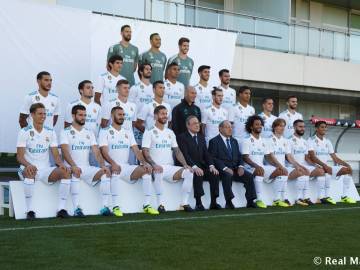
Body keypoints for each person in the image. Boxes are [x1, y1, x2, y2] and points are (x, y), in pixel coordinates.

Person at [98, 106, 158, 216]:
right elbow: (103, 151)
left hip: (125, 167)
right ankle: (115, 206)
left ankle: (147, 205)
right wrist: (113, 163)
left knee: (147, 170)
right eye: (119, 115)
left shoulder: (128, 132)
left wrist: (144, 163)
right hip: (112, 166)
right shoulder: (104, 131)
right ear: (112, 116)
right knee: (115, 172)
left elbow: (136, 150)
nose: (122, 117)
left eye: (123, 115)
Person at [17, 103, 71, 220]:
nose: (43, 116)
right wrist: (28, 165)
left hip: (45, 169)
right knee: (30, 172)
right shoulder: (24, 132)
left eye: (45, 114)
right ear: (32, 115)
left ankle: (61, 209)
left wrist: (61, 164)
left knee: (66, 172)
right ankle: (30, 211)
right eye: (40, 113)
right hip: (28, 168)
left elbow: (56, 154)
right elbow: (20, 157)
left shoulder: (50, 131)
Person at [60, 105, 112, 217]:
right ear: (73, 116)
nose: (83, 117)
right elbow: (65, 151)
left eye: (85, 115)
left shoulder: (89, 132)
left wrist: (103, 165)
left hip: (86, 167)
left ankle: (105, 207)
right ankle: (76, 208)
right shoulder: (65, 132)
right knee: (75, 172)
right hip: (71, 167)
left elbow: (96, 152)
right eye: (80, 115)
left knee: (105, 173)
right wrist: (73, 166)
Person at [142, 105, 194, 213]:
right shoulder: (149, 131)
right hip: (157, 167)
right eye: (162, 113)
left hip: (170, 168)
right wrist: (154, 164)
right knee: (158, 171)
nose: (165, 116)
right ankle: (160, 205)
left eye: (166, 114)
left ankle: (184, 203)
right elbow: (145, 152)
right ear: (155, 116)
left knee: (189, 172)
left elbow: (177, 151)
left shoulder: (170, 132)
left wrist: (185, 164)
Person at [242, 115, 289, 208]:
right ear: (251, 126)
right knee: (260, 171)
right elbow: (245, 158)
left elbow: (268, 157)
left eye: (260, 124)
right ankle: (258, 200)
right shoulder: (246, 140)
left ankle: (277, 199)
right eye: (256, 124)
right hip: (249, 168)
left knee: (283, 172)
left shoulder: (264, 141)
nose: (259, 126)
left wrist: (279, 166)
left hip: (261, 166)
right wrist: (256, 166)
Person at [208, 120, 257, 209]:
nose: (230, 129)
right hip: (222, 170)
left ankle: (250, 201)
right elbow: (213, 158)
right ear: (220, 129)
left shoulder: (234, 141)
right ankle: (229, 201)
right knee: (227, 175)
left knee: (249, 176)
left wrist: (241, 166)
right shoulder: (214, 141)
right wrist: (224, 168)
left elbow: (239, 155)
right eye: (227, 127)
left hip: (235, 168)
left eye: (231, 127)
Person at [177, 116, 220, 210]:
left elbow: (206, 154)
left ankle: (214, 202)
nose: (197, 125)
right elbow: (185, 154)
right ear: (188, 126)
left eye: (198, 123)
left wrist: (211, 166)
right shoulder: (182, 137)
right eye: (194, 123)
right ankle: (198, 203)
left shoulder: (201, 137)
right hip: (189, 166)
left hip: (201, 165)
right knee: (197, 174)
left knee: (214, 174)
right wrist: (194, 166)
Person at [308, 121, 356, 204]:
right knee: (323, 172)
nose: (324, 129)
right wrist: (324, 166)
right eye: (322, 127)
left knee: (347, 170)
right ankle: (322, 197)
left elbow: (335, 158)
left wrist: (347, 165)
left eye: (325, 127)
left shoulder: (327, 141)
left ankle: (344, 196)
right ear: (316, 128)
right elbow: (312, 157)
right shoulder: (311, 140)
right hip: (315, 167)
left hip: (326, 167)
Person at [268, 118, 307, 206]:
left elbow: (289, 156)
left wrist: (297, 165)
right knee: (283, 172)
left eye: (283, 126)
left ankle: (297, 198)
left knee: (301, 172)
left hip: (282, 166)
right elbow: (270, 156)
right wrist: (280, 166)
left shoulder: (285, 140)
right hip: (272, 167)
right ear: (274, 127)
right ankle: (277, 199)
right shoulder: (269, 140)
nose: (282, 128)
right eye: (280, 126)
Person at [288, 119, 326, 205]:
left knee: (321, 171)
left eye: (303, 127)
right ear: (294, 127)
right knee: (303, 171)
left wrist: (315, 165)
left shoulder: (304, 141)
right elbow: (288, 157)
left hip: (304, 165)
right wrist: (298, 166)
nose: (302, 129)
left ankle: (318, 198)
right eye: (300, 127)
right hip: (292, 166)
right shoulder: (289, 140)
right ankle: (298, 198)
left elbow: (306, 158)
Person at [128, 63, 154, 146]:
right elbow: (129, 107)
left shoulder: (154, 88)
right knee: (138, 151)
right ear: (141, 72)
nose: (149, 71)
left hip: (150, 125)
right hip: (137, 126)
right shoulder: (135, 88)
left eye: (150, 69)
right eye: (146, 69)